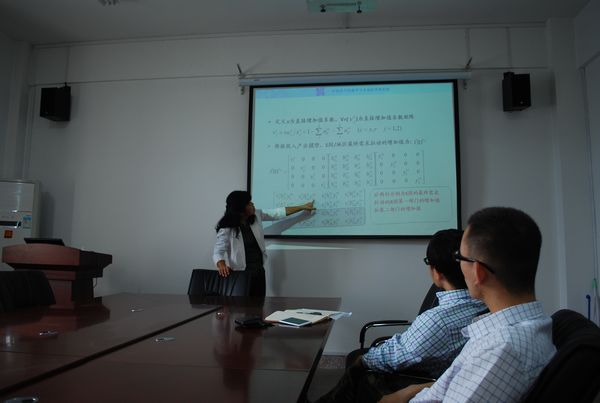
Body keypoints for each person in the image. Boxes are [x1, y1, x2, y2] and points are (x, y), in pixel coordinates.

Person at [379, 207, 556, 403]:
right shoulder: (526, 326)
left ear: (478, 271)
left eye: (460, 258)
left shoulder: (500, 349)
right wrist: (409, 391)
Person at [314, 229, 487, 403]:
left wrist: (365, 359)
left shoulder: (437, 321)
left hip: (415, 378)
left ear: (437, 272)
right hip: (439, 373)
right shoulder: (486, 302)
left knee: (357, 363)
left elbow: (398, 356)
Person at [213, 190, 315, 297]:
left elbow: (278, 213)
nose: (253, 204)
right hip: (241, 275)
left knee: (259, 303)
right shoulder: (227, 229)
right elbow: (217, 252)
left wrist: (302, 207)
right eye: (249, 203)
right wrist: (222, 265)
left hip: (259, 271)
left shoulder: (256, 215)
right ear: (241, 208)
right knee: (241, 305)